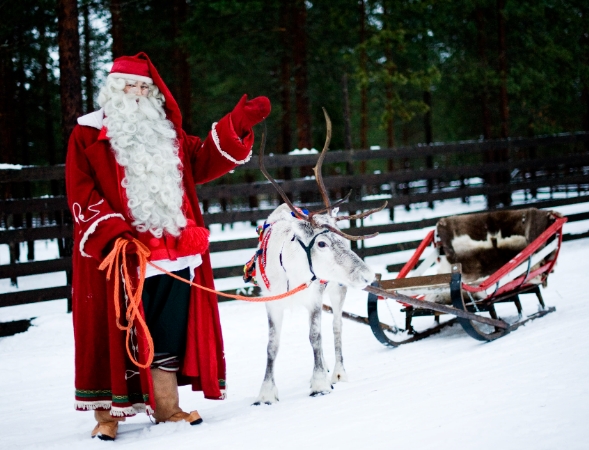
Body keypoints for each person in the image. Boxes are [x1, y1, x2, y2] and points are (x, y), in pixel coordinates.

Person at [66, 52, 270, 440]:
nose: (139, 93)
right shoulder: (86, 135)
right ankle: (108, 416)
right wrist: (114, 236)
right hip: (122, 256)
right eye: (131, 85)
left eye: (145, 87)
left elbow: (204, 160)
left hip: (176, 253)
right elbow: (81, 190)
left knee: (168, 331)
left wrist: (236, 125)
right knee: (116, 331)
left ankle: (167, 406)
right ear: (113, 90)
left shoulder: (168, 133)